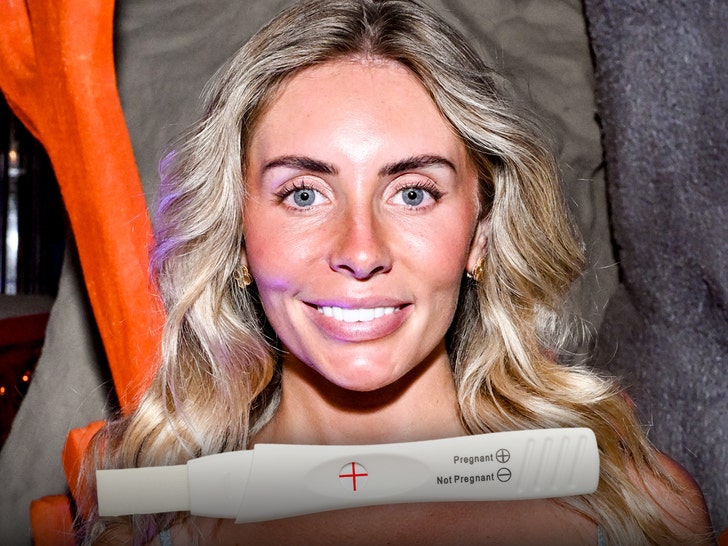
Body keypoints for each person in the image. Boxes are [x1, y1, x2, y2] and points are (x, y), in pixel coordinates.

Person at [78, 0, 713, 544]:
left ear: (480, 233)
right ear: (239, 241)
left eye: (413, 193)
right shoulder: (152, 516)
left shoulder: (636, 509)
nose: (360, 251)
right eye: (304, 194)